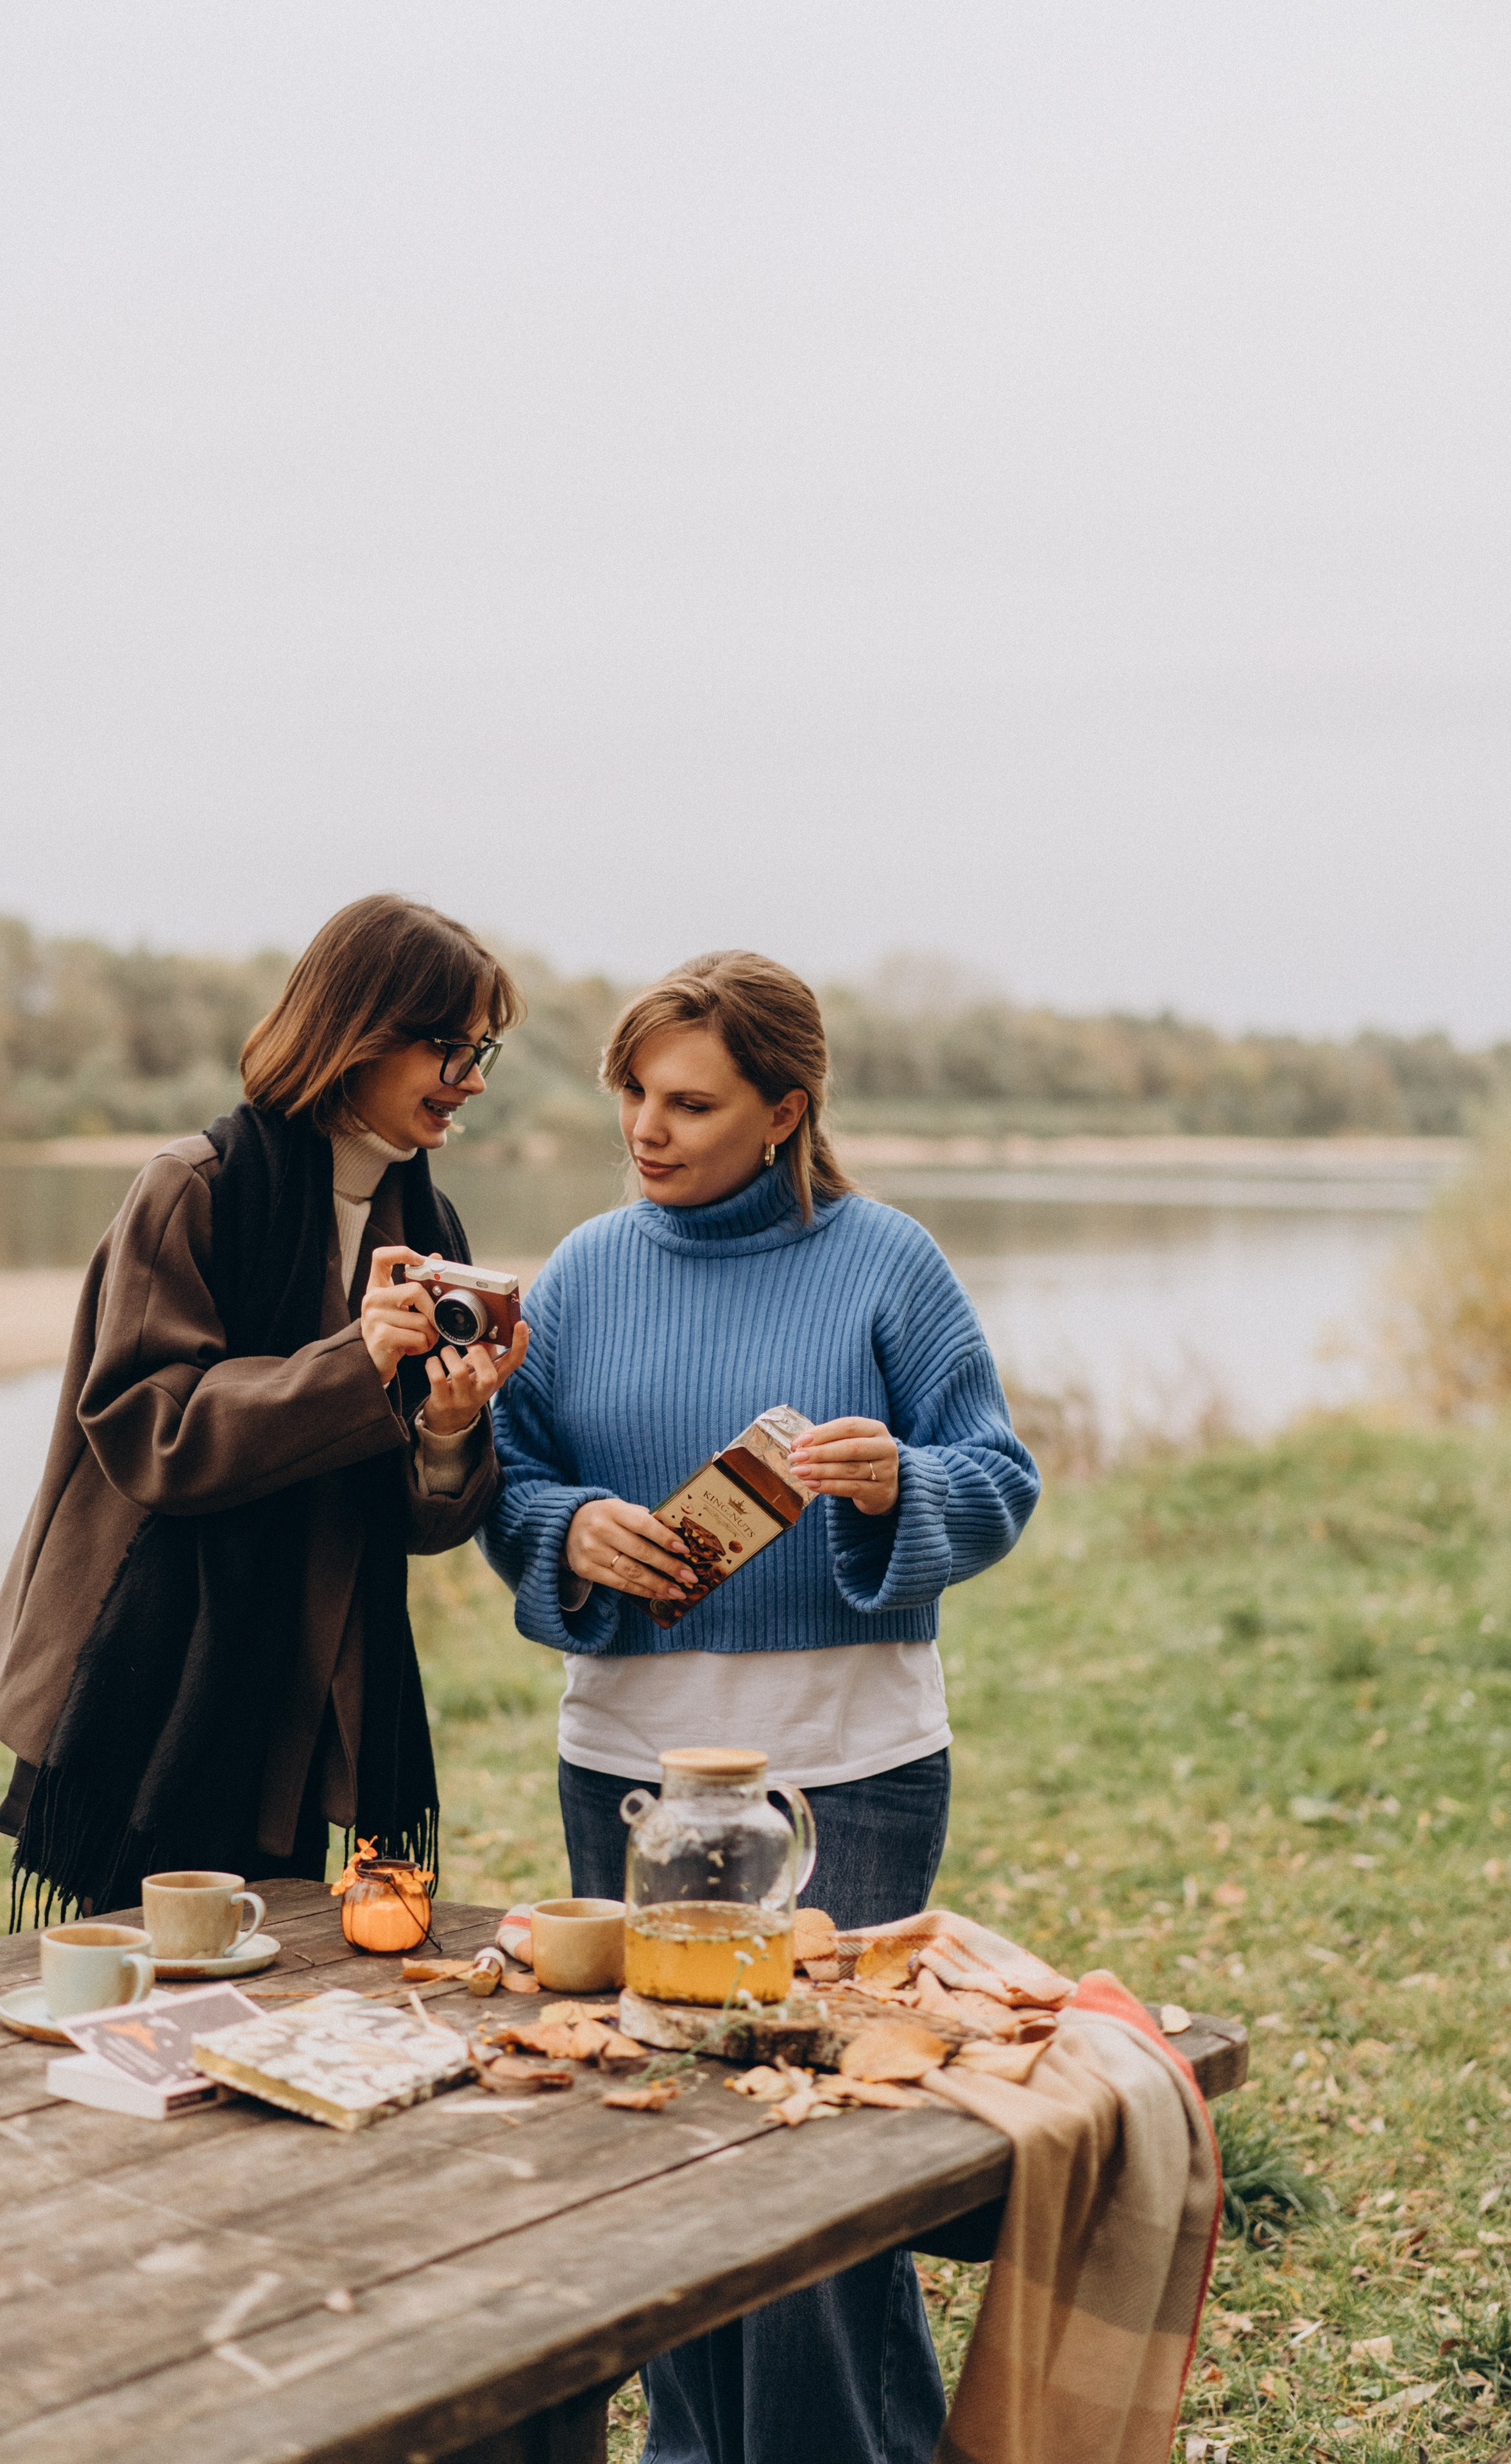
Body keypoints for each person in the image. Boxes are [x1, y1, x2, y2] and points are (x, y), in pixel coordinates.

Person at [481, 949, 1040, 2464]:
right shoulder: (583, 1270)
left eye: (688, 1103)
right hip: (629, 1773)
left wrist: (898, 1485)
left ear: (784, 1111)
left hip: (849, 1768)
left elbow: (996, 1480)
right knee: (665, 2134)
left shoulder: (887, 1263)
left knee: (817, 2151)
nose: (643, 1130)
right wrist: (564, 1532)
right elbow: (507, 1482)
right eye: (631, 1094)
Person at [0, 892, 531, 1922]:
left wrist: (449, 1430)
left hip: (309, 1688)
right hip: (150, 1670)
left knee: (276, 1963)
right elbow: (155, 1436)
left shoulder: (426, 1224)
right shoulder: (194, 1188)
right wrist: (358, 1362)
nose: (475, 1080)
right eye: (452, 1049)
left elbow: (416, 1524)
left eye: (482, 1051)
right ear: (361, 1033)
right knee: (137, 1965)